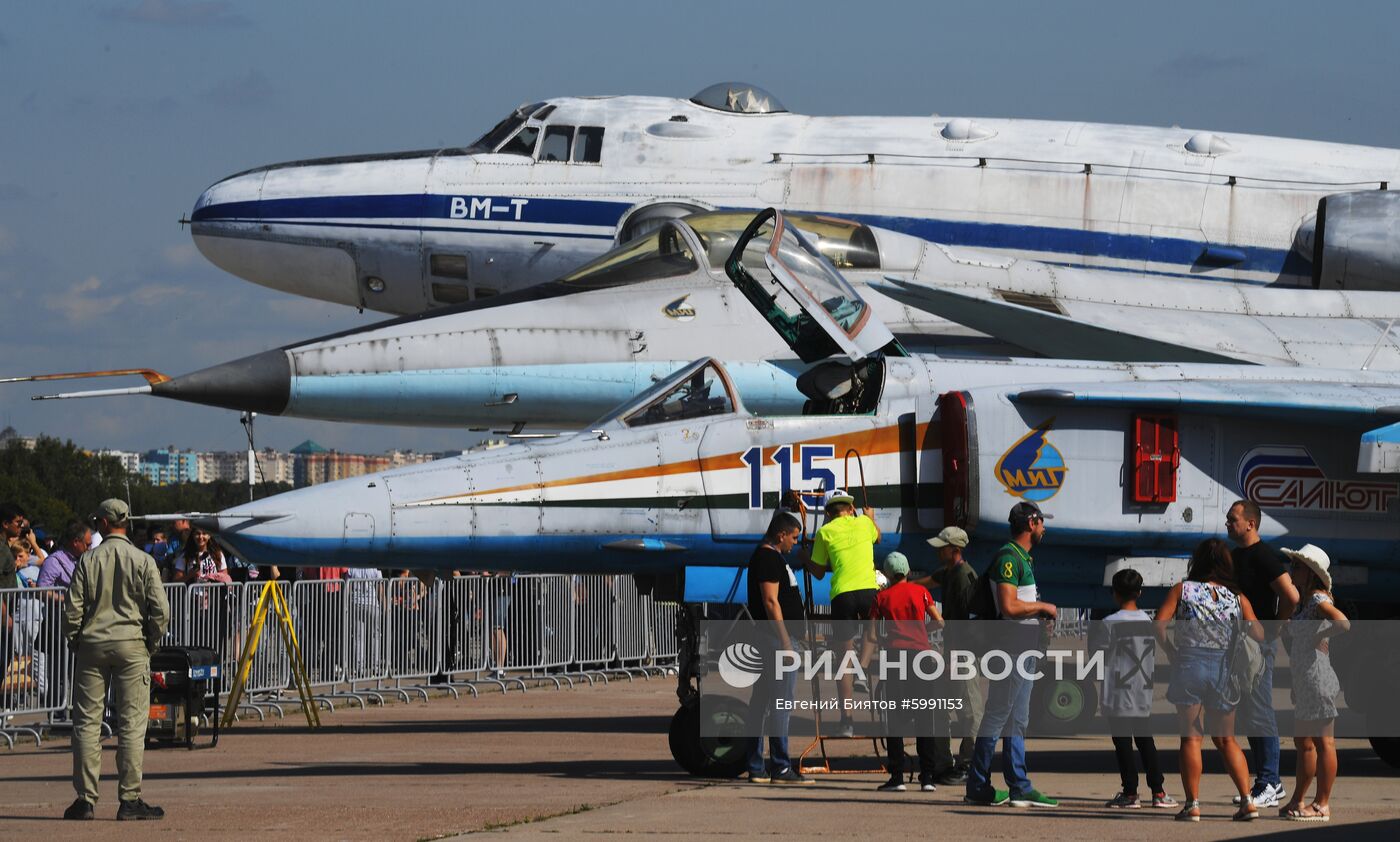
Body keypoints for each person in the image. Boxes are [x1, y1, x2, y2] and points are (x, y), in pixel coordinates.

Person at [62, 498, 169, 821]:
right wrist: (150, 642)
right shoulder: (143, 560)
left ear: (105, 524)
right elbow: (161, 611)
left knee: (86, 723)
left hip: (93, 646)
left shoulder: (88, 560)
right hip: (132, 646)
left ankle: (85, 799)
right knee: (133, 725)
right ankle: (129, 798)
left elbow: (72, 610)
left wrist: (76, 641)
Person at [1154, 538, 1264, 822]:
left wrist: (1170, 650)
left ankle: (1193, 805)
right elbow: (1259, 634)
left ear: (1198, 561)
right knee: (1226, 739)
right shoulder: (1236, 597)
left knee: (1191, 738)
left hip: (1189, 664)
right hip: (1223, 669)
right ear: (1227, 564)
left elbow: (1159, 623)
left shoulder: (1184, 589)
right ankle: (1248, 801)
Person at [965, 501, 1058, 808]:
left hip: (1024, 644)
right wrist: (1044, 608)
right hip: (1012, 645)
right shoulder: (1008, 557)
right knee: (998, 715)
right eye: (1042, 522)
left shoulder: (1022, 558)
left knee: (1017, 718)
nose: (1044, 527)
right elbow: (1009, 606)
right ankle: (978, 786)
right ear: (1031, 523)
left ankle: (1019, 785)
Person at [1225, 499, 1299, 808]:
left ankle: (1270, 780)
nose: (1228, 524)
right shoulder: (1236, 556)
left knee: (1260, 709)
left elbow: (1291, 595)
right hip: (1241, 643)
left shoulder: (1264, 556)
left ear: (1250, 524)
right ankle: (1267, 782)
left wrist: (1275, 628)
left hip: (1258, 643)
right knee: (1249, 712)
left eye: (1232, 519)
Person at [1088, 568, 1175, 809]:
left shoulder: (1109, 623)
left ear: (1114, 594)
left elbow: (1096, 656)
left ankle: (1130, 792)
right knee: (1146, 740)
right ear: (1140, 592)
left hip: (1118, 693)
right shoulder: (1148, 622)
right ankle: (1158, 791)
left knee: (1123, 743)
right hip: (1142, 691)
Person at [862, 551, 943, 792]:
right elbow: (940, 622)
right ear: (908, 571)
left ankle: (897, 777)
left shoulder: (881, 598)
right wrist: (921, 632)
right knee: (925, 717)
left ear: (887, 574)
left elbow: (872, 634)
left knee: (894, 719)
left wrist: (888, 640)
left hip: (896, 658)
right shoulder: (922, 592)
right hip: (921, 657)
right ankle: (927, 777)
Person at [1278, 544, 1349, 822]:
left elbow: (1343, 623)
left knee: (1323, 742)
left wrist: (1314, 637)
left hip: (1318, 679)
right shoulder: (1305, 601)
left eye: (1296, 566)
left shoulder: (1318, 598)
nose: (1291, 570)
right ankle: (1299, 799)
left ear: (1310, 574)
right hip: (1307, 680)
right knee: (1304, 742)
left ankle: (1322, 804)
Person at [802, 489, 880, 735]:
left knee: (842, 658)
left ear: (828, 513)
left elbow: (816, 571)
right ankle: (863, 668)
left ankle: (846, 721)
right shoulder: (864, 523)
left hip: (842, 594)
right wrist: (870, 517)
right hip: (869, 589)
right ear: (851, 508)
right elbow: (878, 537)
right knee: (872, 633)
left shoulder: (825, 532)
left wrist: (805, 557)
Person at [912, 525, 984, 785]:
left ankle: (968, 765)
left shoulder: (964, 576)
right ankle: (945, 763)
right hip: (953, 650)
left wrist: (955, 654)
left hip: (962, 652)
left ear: (954, 550)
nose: (937, 551)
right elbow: (928, 582)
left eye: (941, 548)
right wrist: (903, 585)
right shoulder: (950, 571)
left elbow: (966, 621)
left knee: (970, 710)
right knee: (943, 706)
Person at [746, 511, 812, 784]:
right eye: (794, 537)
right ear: (781, 534)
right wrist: (786, 642)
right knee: (780, 704)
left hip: (772, 639)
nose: (795, 543)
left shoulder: (770, 557)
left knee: (761, 702)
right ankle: (781, 766)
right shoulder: (768, 558)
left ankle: (756, 765)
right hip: (776, 641)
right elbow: (771, 601)